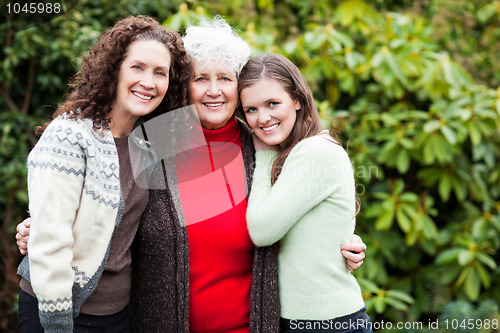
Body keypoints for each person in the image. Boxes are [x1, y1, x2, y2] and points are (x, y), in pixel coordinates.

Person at [16, 17, 366, 332]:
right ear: (185, 85)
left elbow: (308, 213)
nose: (214, 90)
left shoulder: (265, 149)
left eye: (225, 78)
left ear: (239, 87)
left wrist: (344, 243)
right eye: (201, 78)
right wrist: (41, 229)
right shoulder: (152, 141)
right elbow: (109, 213)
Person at [16, 15, 189, 332]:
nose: (148, 82)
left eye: (160, 73)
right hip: (61, 311)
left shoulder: (149, 143)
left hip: (118, 315)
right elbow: (50, 241)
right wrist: (57, 322)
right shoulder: (71, 135)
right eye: (137, 67)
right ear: (114, 69)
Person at [239, 52, 372, 333]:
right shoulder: (295, 153)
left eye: (273, 103)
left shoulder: (314, 152)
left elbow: (262, 230)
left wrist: (263, 157)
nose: (263, 118)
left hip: (328, 322)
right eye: (251, 109)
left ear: (297, 99)